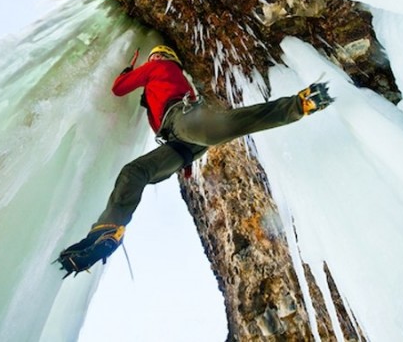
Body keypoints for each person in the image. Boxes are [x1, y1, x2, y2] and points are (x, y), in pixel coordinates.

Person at [55, 45, 333, 277]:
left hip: (182, 121)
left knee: (218, 130)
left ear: (164, 58)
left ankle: (298, 104)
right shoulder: (165, 76)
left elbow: (118, 89)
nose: (153, 59)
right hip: (181, 140)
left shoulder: (159, 67)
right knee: (134, 171)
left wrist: (128, 72)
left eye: (156, 56)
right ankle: (109, 230)